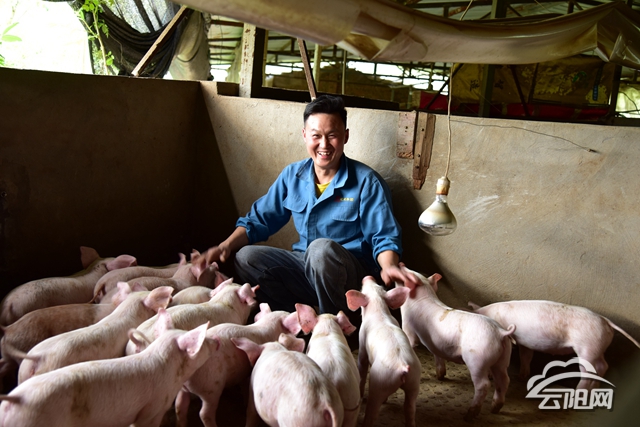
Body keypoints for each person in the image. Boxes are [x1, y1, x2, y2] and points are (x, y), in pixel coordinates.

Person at [200, 94, 419, 327]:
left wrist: (389, 267)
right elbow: (259, 219)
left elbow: (383, 236)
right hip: (305, 267)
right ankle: (297, 322)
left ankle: (338, 326)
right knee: (246, 257)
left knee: (320, 250)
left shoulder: (366, 182)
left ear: (345, 136)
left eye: (332, 135)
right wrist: (225, 246)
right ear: (305, 135)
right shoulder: (292, 176)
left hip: (349, 278)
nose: (324, 145)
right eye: (316, 136)